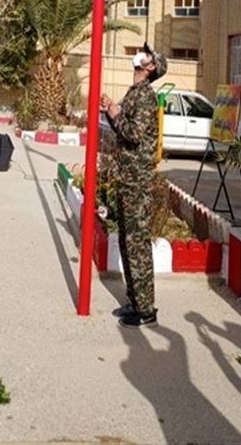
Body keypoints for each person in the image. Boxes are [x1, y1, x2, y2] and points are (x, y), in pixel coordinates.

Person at [100, 42, 167, 329]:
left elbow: (135, 133)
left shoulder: (146, 96)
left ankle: (146, 309)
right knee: (128, 241)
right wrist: (111, 111)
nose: (140, 55)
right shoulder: (135, 93)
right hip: (128, 177)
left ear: (151, 67)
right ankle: (135, 301)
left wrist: (115, 112)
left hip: (137, 180)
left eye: (146, 55)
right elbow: (122, 130)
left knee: (137, 243)